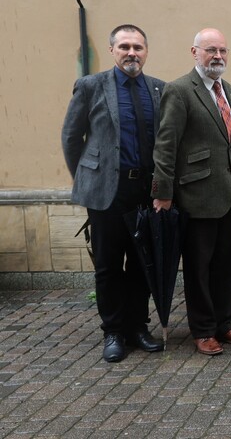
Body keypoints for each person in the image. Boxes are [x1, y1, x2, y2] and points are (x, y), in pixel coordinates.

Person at [61, 24, 166, 362]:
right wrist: (87, 177)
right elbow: (71, 137)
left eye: (137, 46)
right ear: (113, 51)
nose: (131, 52)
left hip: (144, 190)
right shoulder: (92, 86)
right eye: (124, 46)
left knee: (141, 264)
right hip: (107, 191)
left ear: (146, 51)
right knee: (107, 266)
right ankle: (113, 332)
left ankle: (138, 327)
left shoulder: (158, 90)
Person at [151, 28, 231, 356]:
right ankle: (204, 329)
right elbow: (166, 146)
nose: (218, 56)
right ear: (194, 52)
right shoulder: (179, 91)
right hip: (194, 197)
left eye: (223, 50)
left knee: (226, 267)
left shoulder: (230, 91)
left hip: (226, 195)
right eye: (210, 50)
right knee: (199, 269)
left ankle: (224, 324)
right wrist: (163, 192)